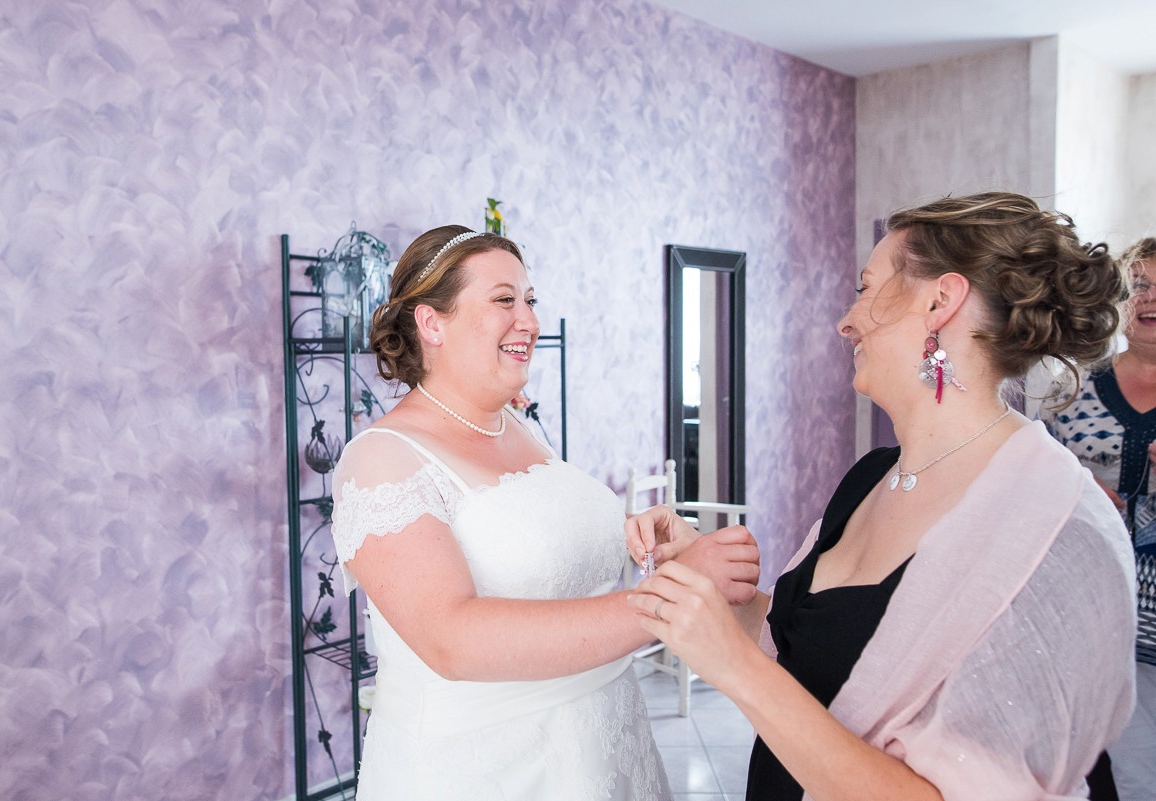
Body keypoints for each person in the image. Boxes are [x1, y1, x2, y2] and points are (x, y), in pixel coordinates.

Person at [627, 192, 1138, 801]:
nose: (848, 319)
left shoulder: (1059, 530)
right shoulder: (870, 477)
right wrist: (708, 579)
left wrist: (736, 670)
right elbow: (816, 644)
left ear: (940, 301)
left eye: (866, 288)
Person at [328, 225, 762, 800]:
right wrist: (670, 598)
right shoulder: (382, 459)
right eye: (504, 300)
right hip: (492, 772)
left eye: (530, 300)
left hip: (608, 752)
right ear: (432, 323)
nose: (528, 320)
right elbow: (451, 639)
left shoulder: (518, 426)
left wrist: (659, 545)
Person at [1041, 236, 1156, 801]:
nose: (1151, 300)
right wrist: (1069, 482)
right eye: (1140, 286)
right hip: (1084, 613)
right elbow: (1025, 482)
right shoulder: (1072, 389)